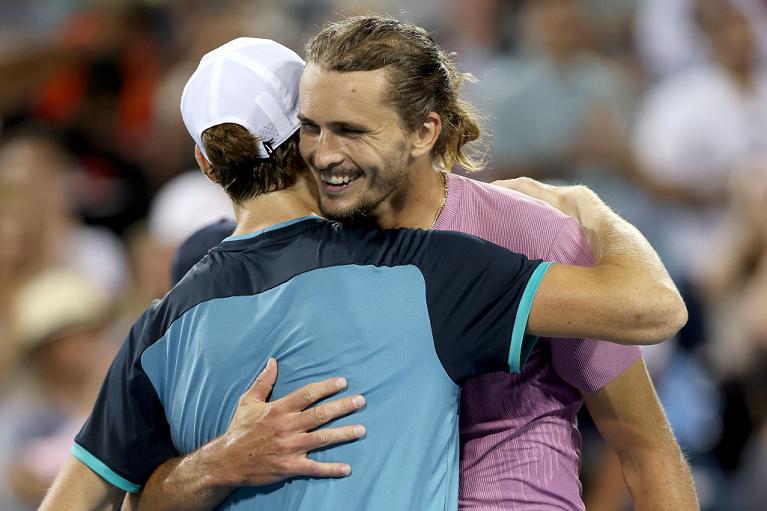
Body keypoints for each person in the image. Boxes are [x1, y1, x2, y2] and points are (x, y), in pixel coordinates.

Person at [40, 37, 686, 511]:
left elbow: (646, 437)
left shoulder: (519, 234)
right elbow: (141, 496)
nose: (330, 149)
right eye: (317, 127)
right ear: (297, 134)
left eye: (349, 128)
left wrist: (587, 214)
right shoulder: (414, 271)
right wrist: (218, 461)